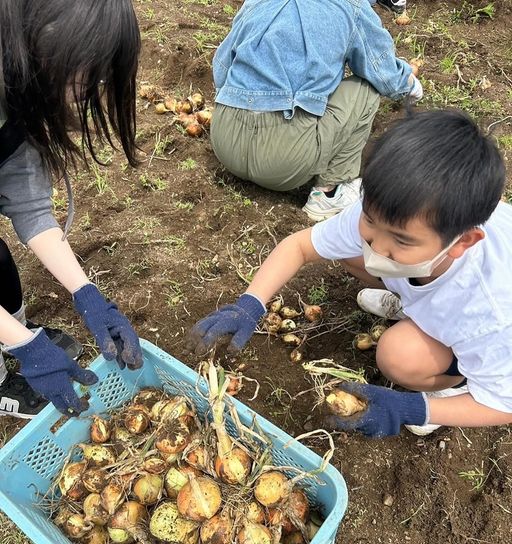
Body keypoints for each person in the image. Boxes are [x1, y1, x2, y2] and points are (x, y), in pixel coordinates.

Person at [187, 109, 512, 438]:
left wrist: (414, 408)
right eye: (370, 221)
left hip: (489, 335)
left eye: (401, 240)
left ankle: (451, 386)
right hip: (438, 286)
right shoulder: (395, 210)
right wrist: (251, 303)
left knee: (398, 356)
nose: (377, 247)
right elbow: (299, 247)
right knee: (347, 250)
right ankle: (413, 304)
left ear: (463, 242)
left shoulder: (489, 311)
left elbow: (503, 404)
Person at [0, 0, 143, 419]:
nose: (92, 90)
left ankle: (16, 335)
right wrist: (27, 349)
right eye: (90, 77)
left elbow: (26, 201)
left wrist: (87, 293)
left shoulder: (19, 77)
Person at [210, 0, 422, 223]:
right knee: (367, 87)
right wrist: (412, 87)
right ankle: (329, 193)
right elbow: (384, 74)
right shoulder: (352, 7)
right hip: (284, 163)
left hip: (225, 143)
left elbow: (222, 65)